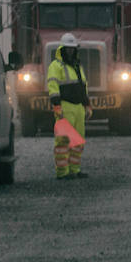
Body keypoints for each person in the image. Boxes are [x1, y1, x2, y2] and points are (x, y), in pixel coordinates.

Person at [47, 32, 92, 179]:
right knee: (63, 141)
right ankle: (62, 172)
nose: (71, 51)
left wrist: (87, 105)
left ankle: (75, 170)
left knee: (78, 140)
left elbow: (82, 87)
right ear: (62, 49)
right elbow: (53, 87)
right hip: (64, 107)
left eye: (73, 48)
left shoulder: (77, 66)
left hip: (78, 107)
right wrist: (57, 106)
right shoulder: (56, 66)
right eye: (68, 48)